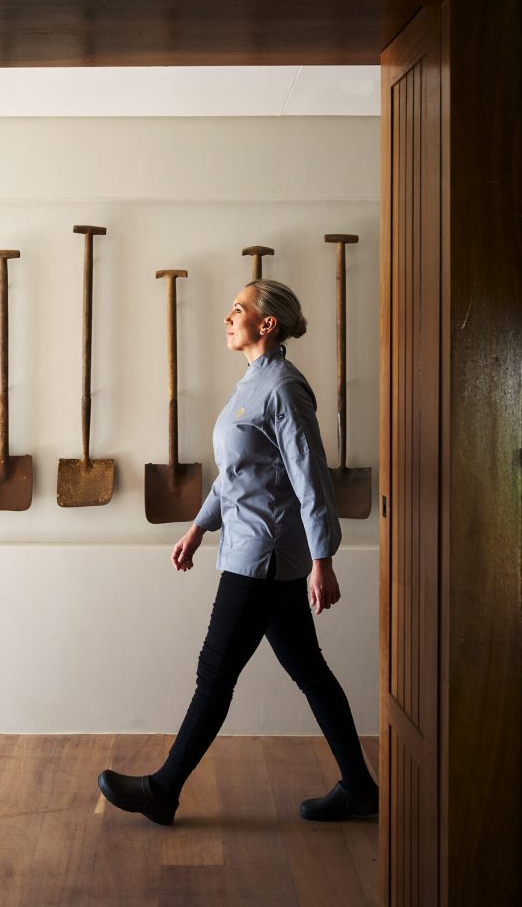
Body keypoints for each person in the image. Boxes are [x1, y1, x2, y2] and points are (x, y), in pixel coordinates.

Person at [98, 279, 378, 826]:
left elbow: (311, 478)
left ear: (266, 323)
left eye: (238, 310)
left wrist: (324, 559)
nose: (228, 318)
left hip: (264, 554)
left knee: (216, 672)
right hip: (248, 547)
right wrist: (199, 528)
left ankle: (163, 790)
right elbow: (236, 475)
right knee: (311, 672)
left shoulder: (284, 390)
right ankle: (361, 787)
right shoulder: (252, 384)